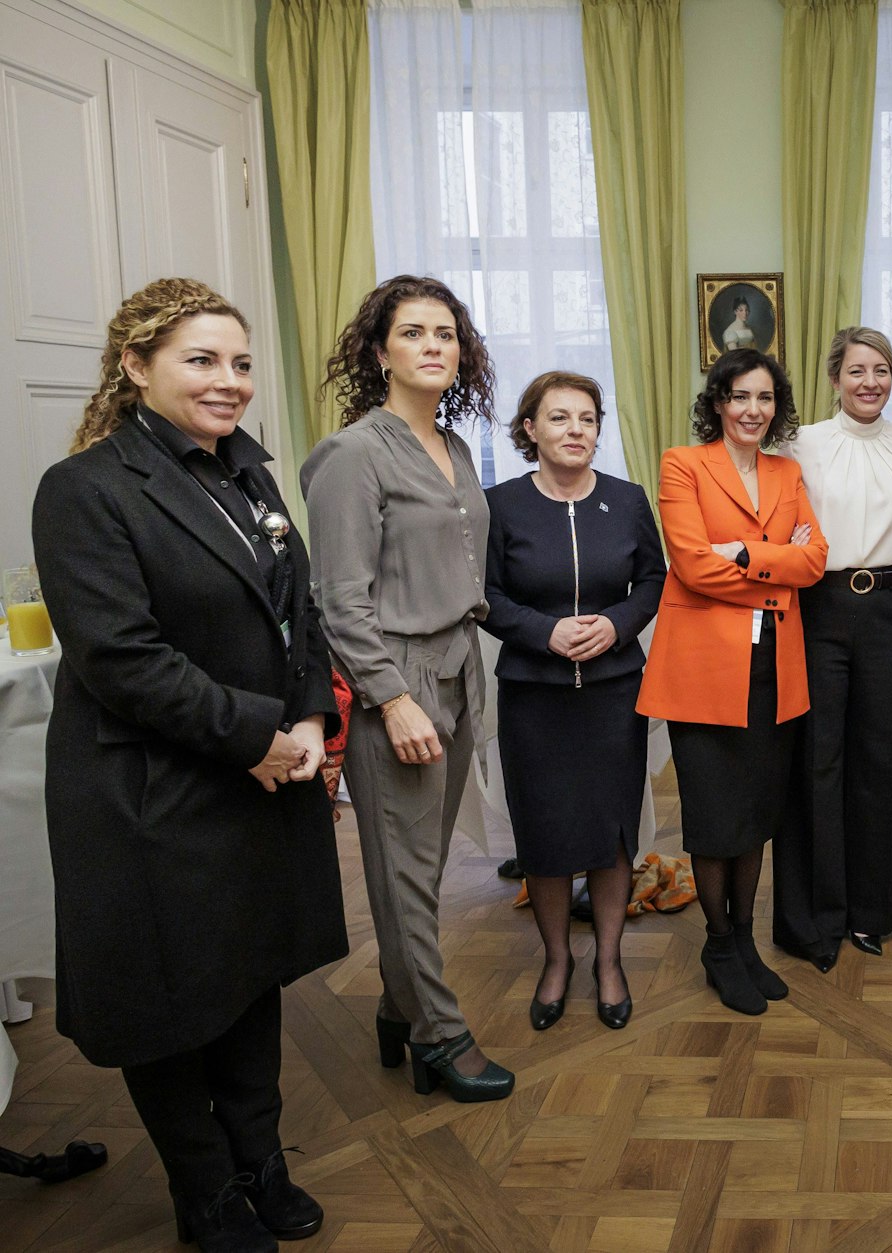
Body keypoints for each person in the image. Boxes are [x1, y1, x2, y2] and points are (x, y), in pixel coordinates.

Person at [33, 278, 343, 1250]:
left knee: (248, 979)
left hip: (259, 775)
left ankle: (261, 1160)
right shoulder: (85, 489)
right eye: (201, 360)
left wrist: (305, 719)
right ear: (135, 367)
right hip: (149, 793)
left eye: (241, 363)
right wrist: (258, 735)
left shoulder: (249, 476)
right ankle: (203, 1191)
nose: (229, 382)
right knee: (173, 1000)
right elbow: (119, 658)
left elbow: (300, 615)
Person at [302, 275, 514, 1103]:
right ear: (379, 349)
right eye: (414, 332)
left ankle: (399, 1006)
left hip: (461, 667)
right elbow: (337, 598)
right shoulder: (354, 454)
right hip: (398, 676)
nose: (434, 345)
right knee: (401, 873)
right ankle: (439, 1034)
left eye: (447, 334)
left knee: (418, 867)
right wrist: (391, 698)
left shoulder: (456, 448)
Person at [638, 348, 828, 1015]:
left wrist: (744, 554)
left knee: (757, 814)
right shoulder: (682, 465)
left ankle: (743, 941)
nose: (754, 409)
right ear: (717, 401)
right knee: (717, 816)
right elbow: (690, 566)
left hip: (775, 667)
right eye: (741, 396)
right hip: (703, 672)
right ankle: (719, 945)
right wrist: (775, 561)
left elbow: (816, 559)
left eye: (766, 398)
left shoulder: (787, 469)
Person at [483, 371, 666, 1031]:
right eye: (558, 418)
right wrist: (543, 631)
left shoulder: (627, 498)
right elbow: (484, 594)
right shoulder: (499, 505)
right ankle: (557, 958)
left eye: (586, 418)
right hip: (535, 697)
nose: (575, 430)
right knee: (547, 833)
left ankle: (608, 960)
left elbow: (654, 577)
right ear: (530, 428)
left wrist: (618, 624)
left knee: (612, 832)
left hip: (616, 694)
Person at [773, 328, 892, 969]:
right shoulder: (801, 442)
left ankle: (873, 913)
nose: (870, 382)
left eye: (882, 370)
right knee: (819, 759)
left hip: (888, 612)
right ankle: (821, 914)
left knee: (879, 761)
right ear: (835, 378)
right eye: (857, 370)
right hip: (818, 605)